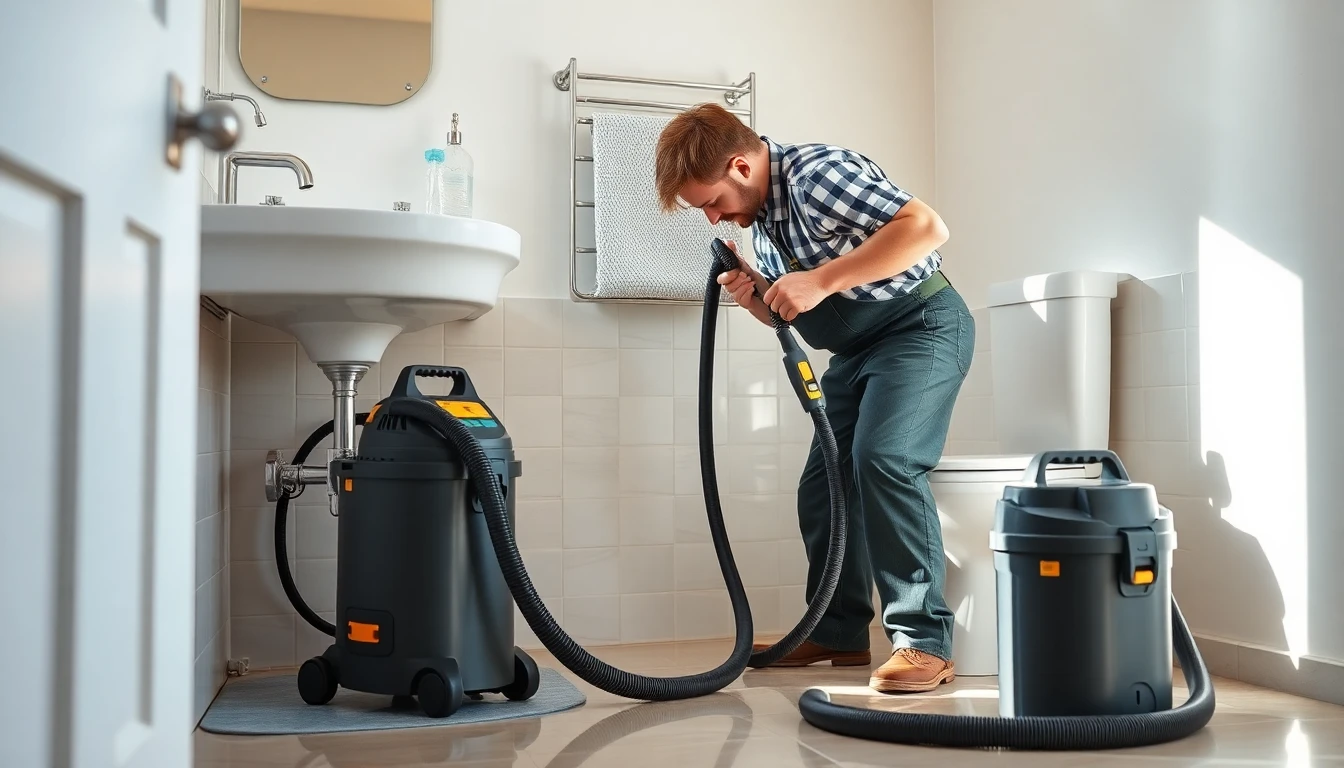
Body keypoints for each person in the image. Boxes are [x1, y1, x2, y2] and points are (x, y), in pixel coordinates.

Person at [654, 103, 974, 694]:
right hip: (855, 356)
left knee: (885, 460)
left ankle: (923, 642)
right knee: (823, 485)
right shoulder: (766, 221)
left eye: (711, 201)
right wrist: (760, 301)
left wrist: (821, 279)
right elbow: (814, 312)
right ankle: (838, 630)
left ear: (741, 166)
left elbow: (926, 226)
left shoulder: (816, 176)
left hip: (922, 329)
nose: (712, 218)